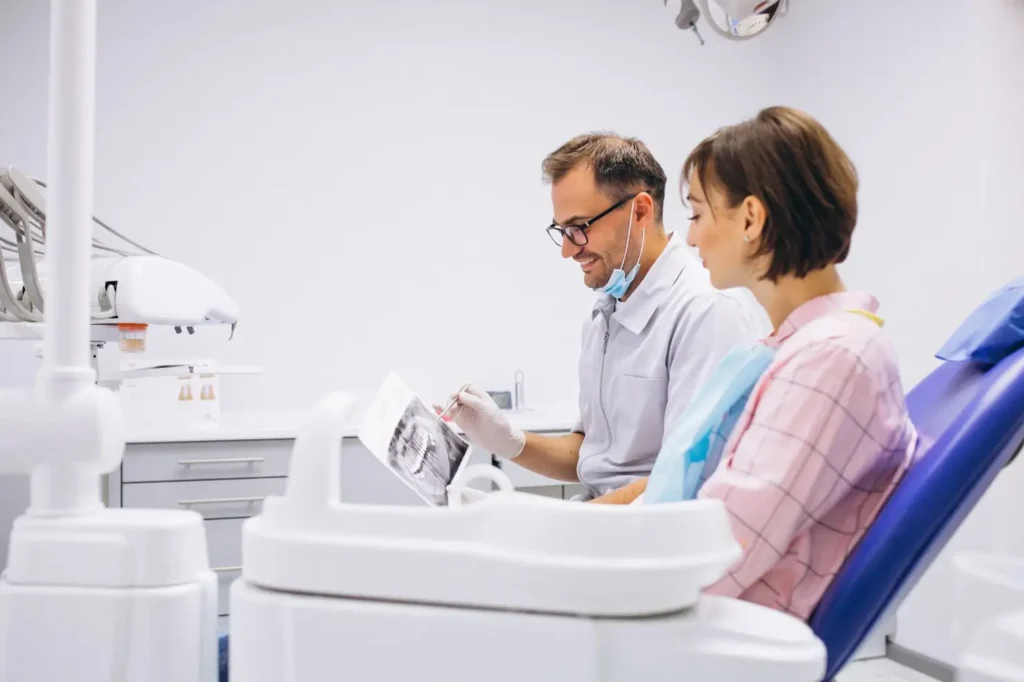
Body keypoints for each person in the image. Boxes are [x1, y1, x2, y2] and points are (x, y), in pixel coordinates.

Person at [591, 106, 919, 620]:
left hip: (721, 633)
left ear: (750, 218)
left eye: (697, 214)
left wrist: (584, 570)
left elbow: (721, 549)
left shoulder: (830, 359)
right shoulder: (800, 346)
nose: (692, 237)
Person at [447, 133, 764, 501]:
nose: (567, 250)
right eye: (562, 230)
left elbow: (688, 479)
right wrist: (509, 439)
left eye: (580, 228)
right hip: (608, 527)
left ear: (640, 212)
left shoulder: (706, 311)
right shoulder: (607, 310)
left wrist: (565, 525)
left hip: (653, 541)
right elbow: (594, 457)